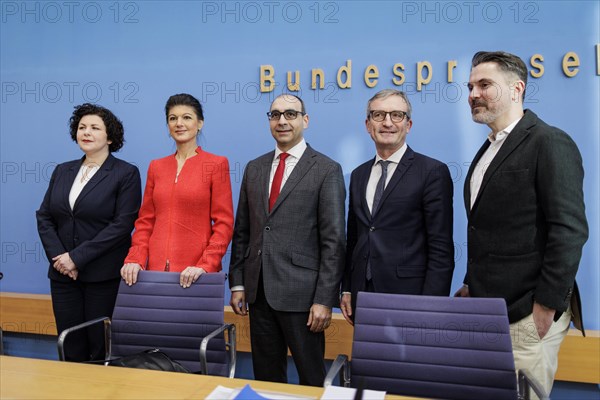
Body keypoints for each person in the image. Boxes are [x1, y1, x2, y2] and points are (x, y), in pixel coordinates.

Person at [456, 51, 588, 395]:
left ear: (517, 89)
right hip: (490, 311)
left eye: (485, 85)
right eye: (471, 86)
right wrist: (472, 283)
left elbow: (569, 230)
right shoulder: (488, 149)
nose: (473, 94)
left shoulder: (549, 141)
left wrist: (546, 306)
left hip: (528, 315)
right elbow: (489, 228)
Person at [228, 94, 346, 386]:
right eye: (275, 114)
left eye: (290, 114)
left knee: (311, 377)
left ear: (305, 120)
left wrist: (323, 300)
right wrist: (238, 282)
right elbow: (243, 230)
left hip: (303, 299)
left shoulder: (326, 169)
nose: (282, 120)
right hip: (258, 293)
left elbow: (334, 241)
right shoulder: (254, 168)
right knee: (266, 378)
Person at [36, 103, 141, 361]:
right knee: (69, 344)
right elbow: (45, 216)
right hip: (63, 276)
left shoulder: (125, 173)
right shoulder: (63, 170)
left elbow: (121, 225)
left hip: (102, 275)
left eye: (95, 128)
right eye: (82, 127)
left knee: (99, 347)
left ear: (110, 137)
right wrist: (62, 258)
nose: (87, 132)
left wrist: (77, 257)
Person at [340, 89, 455, 325]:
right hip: (364, 296)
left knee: (410, 363)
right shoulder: (358, 174)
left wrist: (432, 306)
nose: (388, 122)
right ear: (368, 124)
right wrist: (348, 289)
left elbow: (441, 247)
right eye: (379, 115)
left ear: (409, 124)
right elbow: (354, 238)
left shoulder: (432, 172)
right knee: (369, 362)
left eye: (397, 115)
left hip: (410, 297)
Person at [121, 94, 234, 287]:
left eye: (187, 117)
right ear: (167, 125)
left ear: (200, 123)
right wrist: (135, 258)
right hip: (154, 273)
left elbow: (224, 224)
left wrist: (206, 264)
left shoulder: (216, 164)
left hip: (196, 274)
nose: (179, 123)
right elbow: (145, 221)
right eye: (173, 118)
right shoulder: (156, 166)